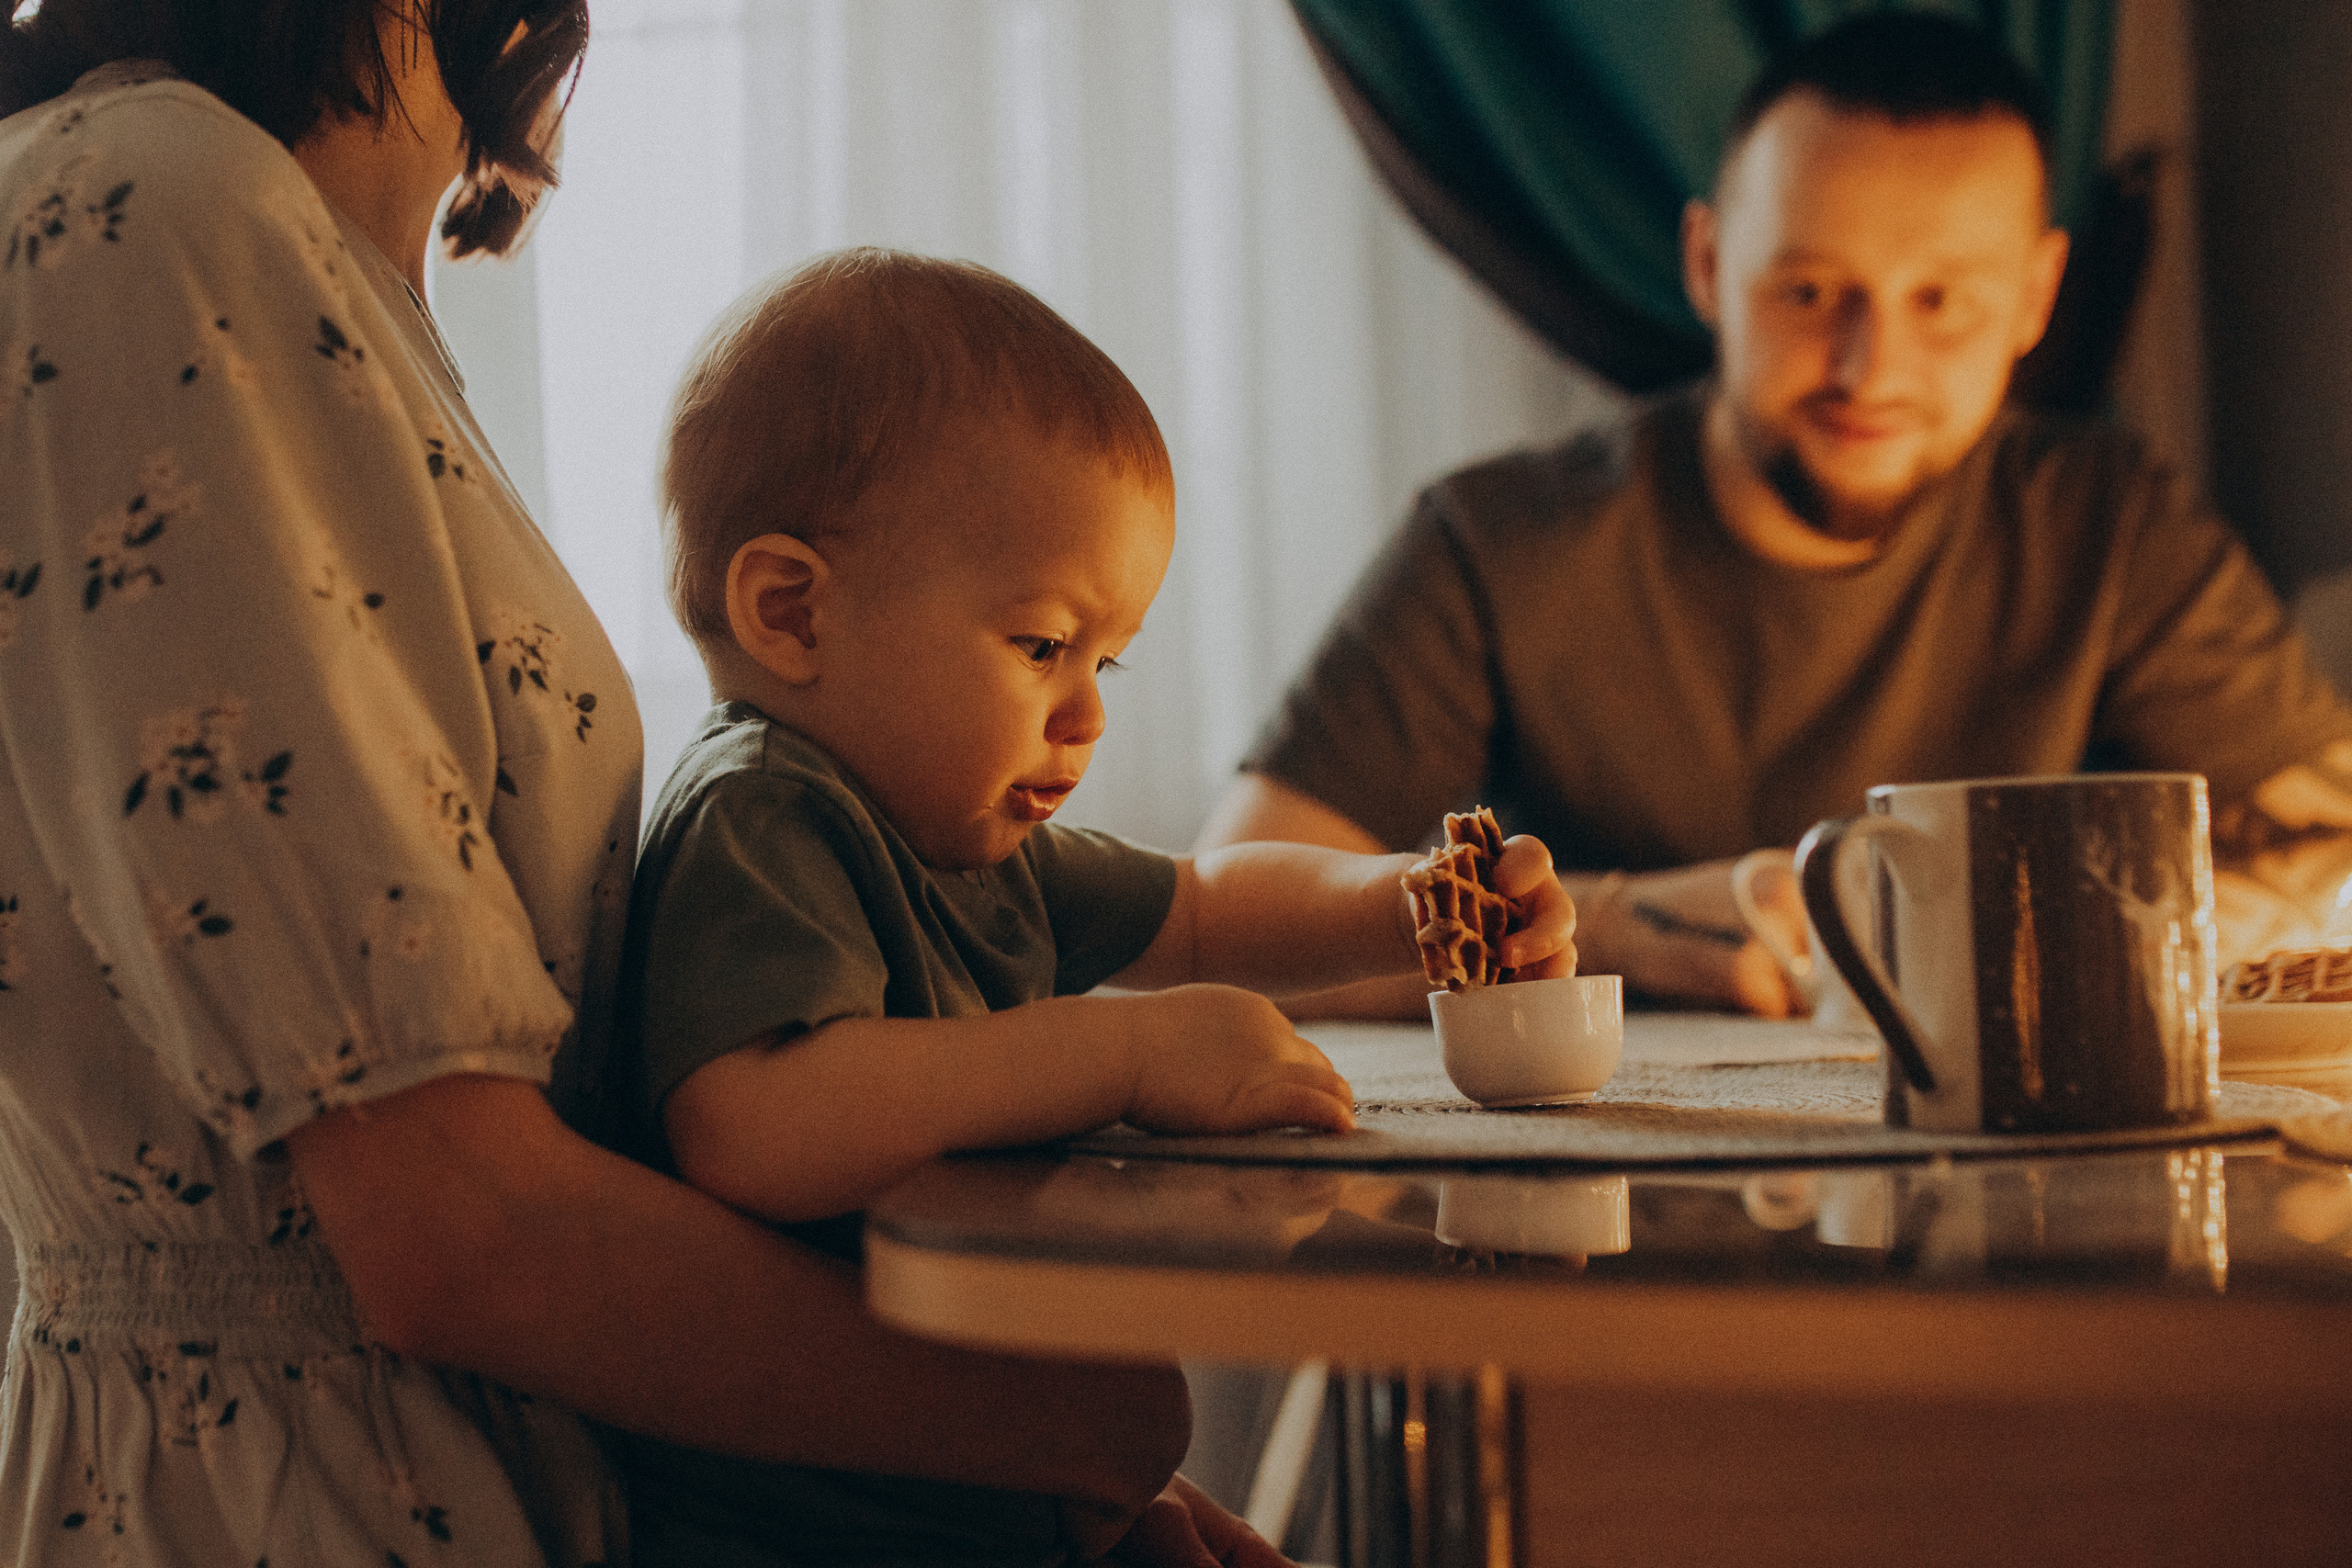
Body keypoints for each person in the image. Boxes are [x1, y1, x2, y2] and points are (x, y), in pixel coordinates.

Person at [0, 6, 1344, 1564]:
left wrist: (1027, 1502)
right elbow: (454, 1228)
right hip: (304, 1511)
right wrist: (1052, 1429)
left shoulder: (285, 238)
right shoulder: (157, 208)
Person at [607, 247, 1577, 1566]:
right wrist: (1123, 1052)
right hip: (816, 1529)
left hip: (983, 1494)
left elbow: (1207, 906)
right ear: (791, 612)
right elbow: (754, 1122)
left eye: (1104, 660)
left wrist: (1404, 906)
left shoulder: (957, 834)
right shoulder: (766, 810)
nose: (1087, 715)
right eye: (1040, 645)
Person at [1199, 11, 2352, 1019]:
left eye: (1942, 300)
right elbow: (1222, 934)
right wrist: (1608, 927)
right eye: (1808, 291)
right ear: (1707, 264)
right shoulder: (1491, 542)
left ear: (2036, 295)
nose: (1869, 368)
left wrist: (2067, 933)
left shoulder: (2112, 524)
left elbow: (2333, 850)